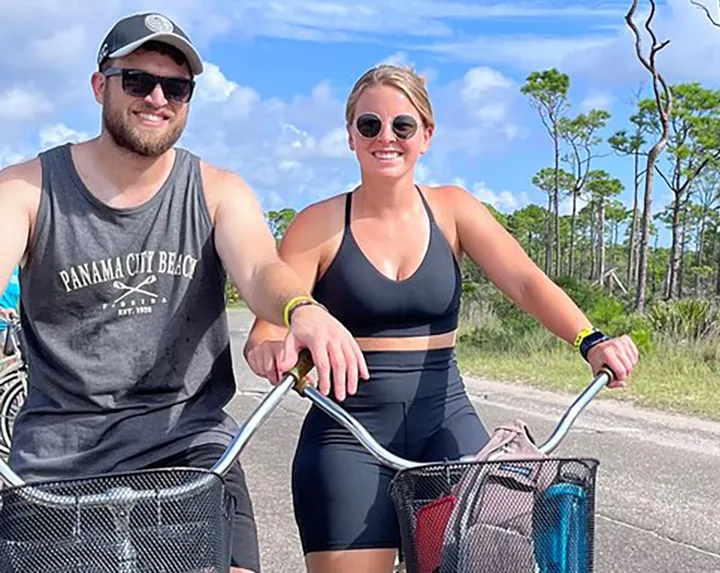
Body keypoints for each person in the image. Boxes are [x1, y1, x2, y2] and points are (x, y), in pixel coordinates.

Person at [0, 12, 365, 573]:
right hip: (57, 458)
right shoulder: (25, 189)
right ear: (101, 86)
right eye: (137, 80)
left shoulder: (218, 191)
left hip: (190, 449)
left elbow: (261, 267)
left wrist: (302, 309)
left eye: (176, 87)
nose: (156, 98)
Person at [242, 63, 640, 573]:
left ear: (426, 136)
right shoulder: (316, 224)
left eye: (402, 126)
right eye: (370, 125)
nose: (386, 137)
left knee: (491, 560)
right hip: (347, 436)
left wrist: (591, 340)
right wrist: (275, 350)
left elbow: (525, 281)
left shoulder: (454, 209)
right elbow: (266, 330)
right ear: (350, 136)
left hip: (445, 424)